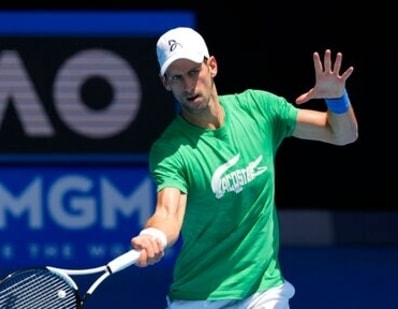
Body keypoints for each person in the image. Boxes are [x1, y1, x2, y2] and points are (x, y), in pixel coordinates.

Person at [129, 26, 358, 308]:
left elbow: (342, 134)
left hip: (263, 290)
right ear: (166, 83)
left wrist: (337, 98)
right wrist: (153, 235)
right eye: (176, 77)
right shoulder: (170, 150)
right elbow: (168, 213)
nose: (188, 86)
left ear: (211, 66)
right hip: (198, 296)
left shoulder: (258, 109)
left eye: (193, 72)